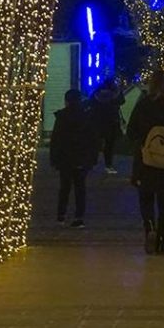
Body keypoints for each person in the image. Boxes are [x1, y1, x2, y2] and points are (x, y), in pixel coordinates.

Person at [127, 70, 164, 255]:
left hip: (145, 160)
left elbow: (131, 131)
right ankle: (161, 241)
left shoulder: (144, 105)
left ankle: (150, 228)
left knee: (145, 198)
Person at [49, 89, 99, 228]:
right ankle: (79, 217)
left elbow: (56, 139)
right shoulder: (86, 116)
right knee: (80, 188)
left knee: (64, 187)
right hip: (81, 157)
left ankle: (61, 215)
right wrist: (92, 158)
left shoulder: (62, 117)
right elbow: (93, 139)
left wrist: (54, 158)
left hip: (66, 158)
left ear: (67, 101)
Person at [91, 77, 125, 174]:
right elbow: (122, 101)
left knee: (95, 143)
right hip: (111, 121)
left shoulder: (97, 92)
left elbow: (91, 102)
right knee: (109, 144)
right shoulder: (115, 93)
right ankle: (108, 165)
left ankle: (92, 163)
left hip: (97, 121)